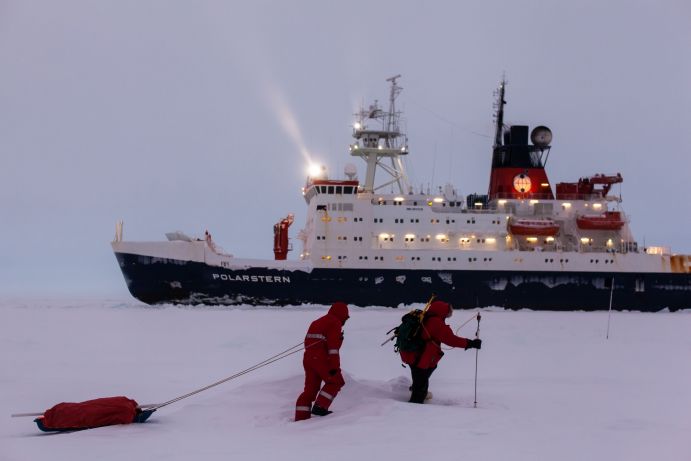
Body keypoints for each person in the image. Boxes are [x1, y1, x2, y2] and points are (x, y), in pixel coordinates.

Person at [399, 300, 481, 404]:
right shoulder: (436, 322)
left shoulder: (426, 317)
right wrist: (471, 343)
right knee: (420, 384)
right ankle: (414, 408)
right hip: (419, 358)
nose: (450, 314)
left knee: (428, 370)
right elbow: (452, 340)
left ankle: (417, 387)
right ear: (443, 311)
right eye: (449, 312)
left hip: (412, 355)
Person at [295, 302, 349, 421]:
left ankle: (301, 418)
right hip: (321, 359)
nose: (345, 321)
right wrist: (335, 367)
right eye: (346, 318)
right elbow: (333, 349)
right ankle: (320, 407)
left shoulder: (317, 321)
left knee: (310, 390)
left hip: (308, 359)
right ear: (343, 315)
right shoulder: (335, 323)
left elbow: (310, 342)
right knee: (336, 381)